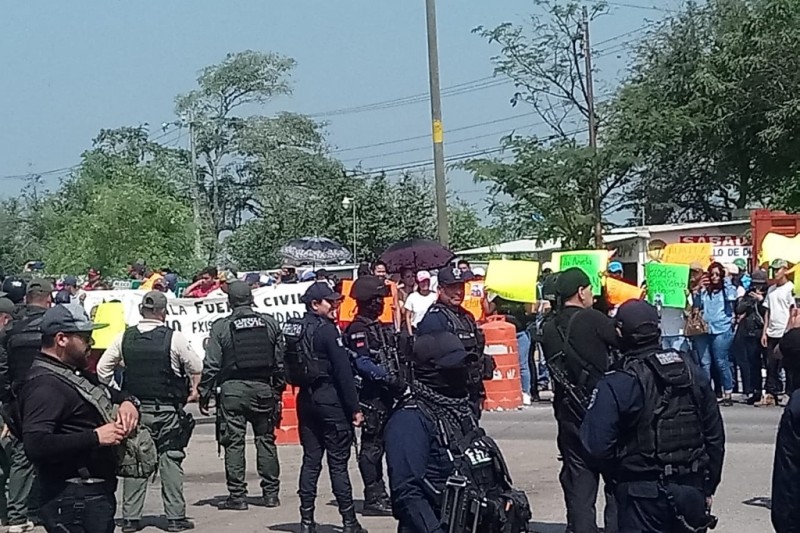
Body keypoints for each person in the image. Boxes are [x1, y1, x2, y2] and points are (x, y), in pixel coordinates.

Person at [581, 300, 725, 533]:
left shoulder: (619, 380)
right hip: (691, 489)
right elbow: (714, 436)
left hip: (641, 495)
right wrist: (708, 487)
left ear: (620, 332)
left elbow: (596, 445)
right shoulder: (691, 370)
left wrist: (621, 473)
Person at [385, 331, 531, 533]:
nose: (461, 372)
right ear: (432, 370)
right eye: (453, 367)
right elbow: (406, 492)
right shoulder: (410, 418)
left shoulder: (460, 408)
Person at [17, 304, 141, 533]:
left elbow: (108, 392)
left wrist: (129, 402)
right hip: (72, 498)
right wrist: (95, 437)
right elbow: (35, 444)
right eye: (85, 338)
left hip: (91, 495)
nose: (90, 345)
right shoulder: (45, 385)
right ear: (61, 339)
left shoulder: (74, 373)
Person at [96, 291, 202, 532]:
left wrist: (119, 395)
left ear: (141, 311)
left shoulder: (124, 337)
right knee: (171, 459)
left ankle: (131, 519)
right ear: (164, 312)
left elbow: (103, 370)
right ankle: (175, 517)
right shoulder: (174, 338)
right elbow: (196, 365)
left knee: (135, 459)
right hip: (168, 411)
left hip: (134, 410)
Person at [282, 282, 366, 533]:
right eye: (330, 302)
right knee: (338, 465)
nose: (336, 306)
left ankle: (306, 522)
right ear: (315, 304)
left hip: (306, 400)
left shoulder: (294, 328)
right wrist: (355, 408)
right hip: (330, 400)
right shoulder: (328, 331)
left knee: (310, 461)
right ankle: (349, 522)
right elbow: (343, 372)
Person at [539, 267, 619, 533]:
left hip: (567, 412)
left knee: (579, 483)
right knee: (616, 480)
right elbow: (623, 342)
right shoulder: (593, 320)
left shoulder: (548, 327)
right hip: (602, 410)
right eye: (590, 289)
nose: (593, 294)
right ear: (581, 291)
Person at [197, 281, 286, 511]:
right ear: (251, 299)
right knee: (265, 440)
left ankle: (238, 497)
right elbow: (280, 361)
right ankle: (271, 495)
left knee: (233, 443)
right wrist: (277, 390)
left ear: (230, 302)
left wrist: (204, 392)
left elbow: (212, 364)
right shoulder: (270, 323)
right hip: (263, 390)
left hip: (232, 391)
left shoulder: (221, 327)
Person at [343, 275, 406, 516]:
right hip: (371, 397)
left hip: (388, 395)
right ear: (367, 301)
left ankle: (390, 493)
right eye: (377, 299)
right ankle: (374, 495)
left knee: (392, 446)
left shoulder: (379, 327)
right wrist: (387, 378)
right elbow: (363, 363)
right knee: (372, 448)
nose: (381, 303)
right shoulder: (358, 329)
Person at [0, 279, 54, 533]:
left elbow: (3, 369)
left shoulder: (11, 328)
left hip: (20, 399)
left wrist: (9, 401)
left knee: (22, 457)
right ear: (48, 298)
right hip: (53, 397)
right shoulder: (54, 324)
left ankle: (16, 516)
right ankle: (45, 509)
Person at [416, 267, 493, 419]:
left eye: (460, 286)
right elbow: (429, 362)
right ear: (440, 289)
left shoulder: (467, 316)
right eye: (452, 287)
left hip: (470, 391)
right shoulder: (435, 318)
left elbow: (476, 354)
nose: (458, 292)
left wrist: (480, 391)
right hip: (448, 394)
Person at [692, 262, 737, 406]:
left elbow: (732, 297)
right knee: (705, 363)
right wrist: (697, 291)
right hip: (705, 329)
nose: (714, 277)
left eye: (717, 274)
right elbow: (697, 306)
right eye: (712, 274)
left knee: (721, 361)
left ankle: (728, 393)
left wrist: (727, 279)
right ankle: (707, 394)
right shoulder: (706, 290)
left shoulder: (726, 289)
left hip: (722, 329)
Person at [760, 259, 796, 405]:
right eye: (773, 270)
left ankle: (788, 392)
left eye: (777, 269)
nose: (775, 272)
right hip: (772, 332)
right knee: (771, 365)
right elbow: (767, 311)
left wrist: (789, 330)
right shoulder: (771, 289)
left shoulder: (790, 288)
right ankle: (771, 393)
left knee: (787, 365)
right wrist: (764, 331)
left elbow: (792, 310)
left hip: (785, 332)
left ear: (784, 270)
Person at [735, 269, 768, 405]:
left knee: (768, 364)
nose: (758, 287)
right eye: (755, 284)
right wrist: (749, 300)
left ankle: (771, 392)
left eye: (760, 284)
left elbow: (768, 311)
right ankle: (756, 391)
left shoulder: (768, 294)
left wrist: (761, 300)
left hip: (763, 331)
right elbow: (739, 309)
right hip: (750, 332)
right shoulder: (749, 294)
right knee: (753, 364)